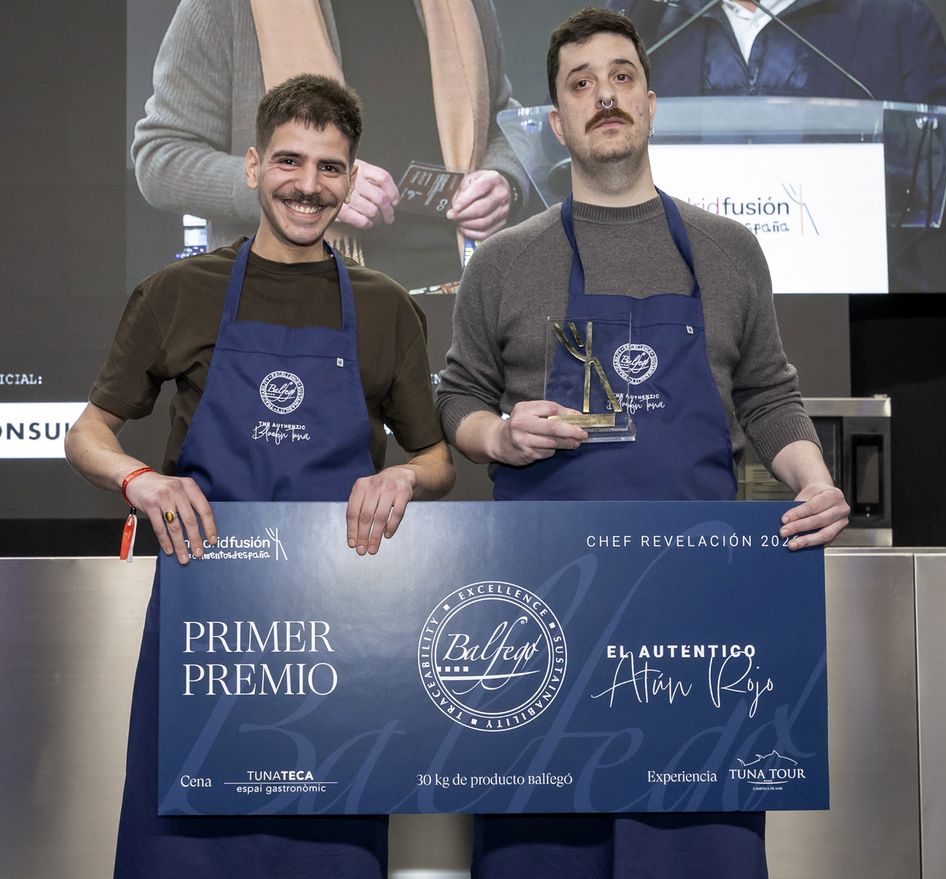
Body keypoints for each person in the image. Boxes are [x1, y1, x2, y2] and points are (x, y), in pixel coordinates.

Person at [436, 7, 848, 877]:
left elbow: (768, 394)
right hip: (539, 631)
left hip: (697, 628)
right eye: (580, 84)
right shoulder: (503, 261)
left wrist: (814, 479)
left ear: (651, 103)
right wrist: (498, 434)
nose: (605, 96)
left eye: (622, 76)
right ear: (556, 124)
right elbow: (459, 396)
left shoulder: (729, 251)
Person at [66, 74, 454, 878]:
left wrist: (405, 481)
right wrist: (141, 480)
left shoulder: (386, 308)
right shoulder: (177, 292)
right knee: (184, 849)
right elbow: (87, 434)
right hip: (204, 624)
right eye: (289, 160)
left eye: (329, 167)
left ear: (351, 179)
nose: (307, 185)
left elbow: (438, 457)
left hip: (340, 632)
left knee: (325, 848)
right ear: (251, 166)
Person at [132, 0, 530, 290]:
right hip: (300, 300)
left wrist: (505, 180)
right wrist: (300, 182)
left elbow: (499, 118)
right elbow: (161, 156)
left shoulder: (465, 7)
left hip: (460, 293)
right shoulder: (228, 7)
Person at [606, 0, 946, 291]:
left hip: (849, 308)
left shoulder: (890, 16)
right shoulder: (641, 21)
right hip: (682, 312)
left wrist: (856, 186)